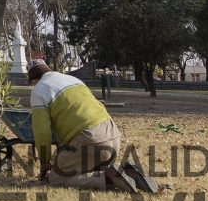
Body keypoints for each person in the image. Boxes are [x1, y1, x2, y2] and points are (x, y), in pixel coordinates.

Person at [28, 60, 144, 192]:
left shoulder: (39, 90)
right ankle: (127, 171)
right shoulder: (73, 80)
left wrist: (44, 161)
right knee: (88, 166)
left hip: (90, 141)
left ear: (34, 79)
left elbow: (42, 132)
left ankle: (108, 178)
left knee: (56, 177)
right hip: (113, 137)